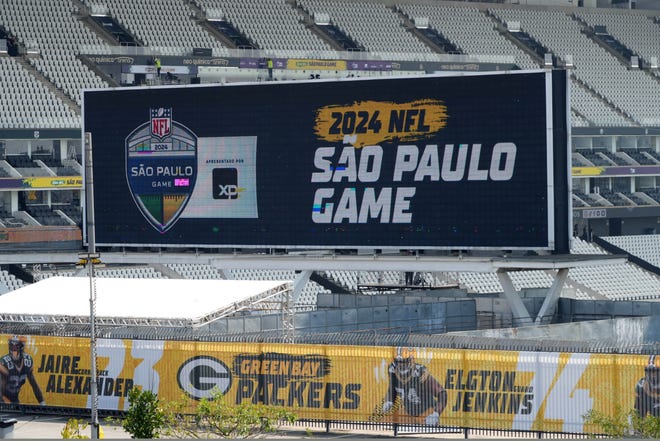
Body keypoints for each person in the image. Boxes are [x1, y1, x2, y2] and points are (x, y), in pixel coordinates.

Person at [377, 347, 447, 425]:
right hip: (408, 412)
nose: (400, 365)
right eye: (398, 362)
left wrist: (435, 414)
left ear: (411, 360)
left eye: (404, 362)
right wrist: (389, 400)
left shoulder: (420, 372)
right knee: (382, 421)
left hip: (426, 412)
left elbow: (442, 393)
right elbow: (392, 389)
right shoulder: (392, 369)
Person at [0, 336, 45, 405]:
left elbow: (34, 385)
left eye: (16, 346)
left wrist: (42, 403)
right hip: (3, 399)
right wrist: (6, 404)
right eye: (12, 346)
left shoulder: (27, 361)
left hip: (15, 400)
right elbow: (1, 390)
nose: (14, 349)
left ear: (22, 347)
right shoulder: (5, 363)